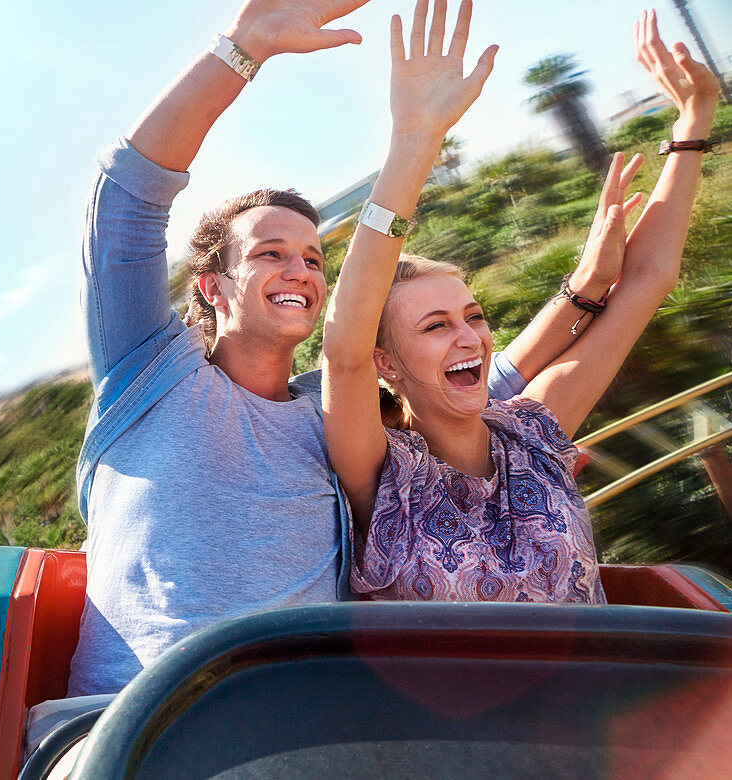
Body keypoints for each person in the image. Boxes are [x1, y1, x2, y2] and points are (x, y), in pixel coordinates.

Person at [69, 0, 641, 696]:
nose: (300, 271)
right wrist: (242, 47)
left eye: (313, 259)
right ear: (212, 286)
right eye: (271, 253)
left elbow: (479, 381)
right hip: (135, 724)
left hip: (312, 732)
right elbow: (125, 200)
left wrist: (584, 288)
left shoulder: (331, 414)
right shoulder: (149, 373)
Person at [321, 5, 719, 602]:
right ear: (387, 363)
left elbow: (648, 281)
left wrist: (693, 120)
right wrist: (416, 139)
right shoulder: (381, 475)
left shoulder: (533, 430)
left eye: (474, 316)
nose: (469, 337)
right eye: (434, 326)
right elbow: (342, 351)